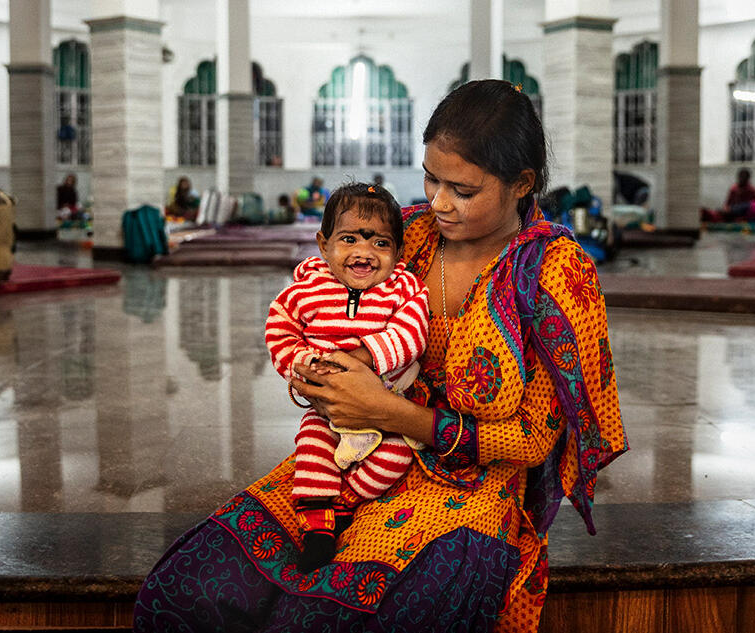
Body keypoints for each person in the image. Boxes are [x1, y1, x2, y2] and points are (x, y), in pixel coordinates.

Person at [133, 79, 627, 633]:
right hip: (347, 456)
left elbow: (535, 439)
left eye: (462, 190)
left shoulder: (552, 272)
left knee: (319, 621)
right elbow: (317, 311)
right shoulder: (407, 236)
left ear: (522, 184)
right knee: (184, 592)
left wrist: (390, 414)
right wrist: (316, 375)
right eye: (431, 178)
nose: (438, 202)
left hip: (467, 489)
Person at [265, 182, 429, 574]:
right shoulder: (307, 289)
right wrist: (304, 365)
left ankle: (348, 502)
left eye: (380, 244)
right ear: (324, 245)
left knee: (399, 455)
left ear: (398, 251)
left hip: (387, 407)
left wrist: (363, 358)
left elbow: (412, 332)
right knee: (312, 446)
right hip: (327, 408)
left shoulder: (403, 288)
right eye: (349, 239)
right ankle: (320, 524)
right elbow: (280, 328)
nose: (363, 253)